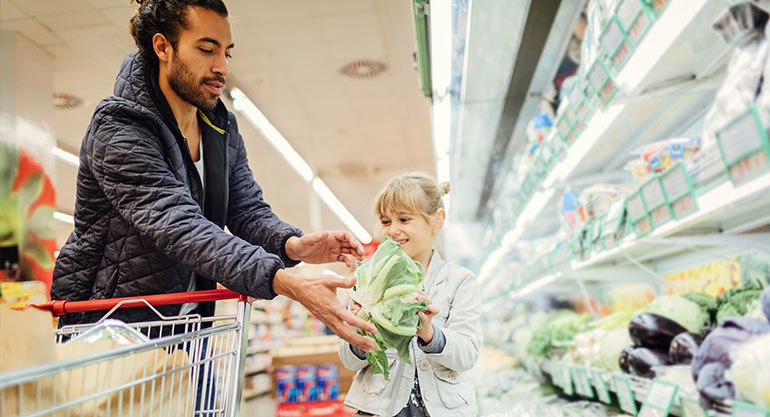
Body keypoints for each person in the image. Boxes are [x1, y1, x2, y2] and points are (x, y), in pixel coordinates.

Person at [50, 0, 377, 355]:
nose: (221, 67)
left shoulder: (218, 126)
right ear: (163, 47)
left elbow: (247, 210)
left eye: (226, 52)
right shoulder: (120, 128)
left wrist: (290, 245)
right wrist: (288, 282)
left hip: (191, 328)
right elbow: (181, 227)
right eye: (206, 49)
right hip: (116, 331)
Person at [339, 173, 482, 417]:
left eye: (404, 219)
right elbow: (349, 361)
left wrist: (430, 334)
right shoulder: (367, 279)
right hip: (379, 409)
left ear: (437, 220)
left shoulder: (459, 281)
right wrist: (360, 334)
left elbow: (468, 354)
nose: (393, 230)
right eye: (385, 221)